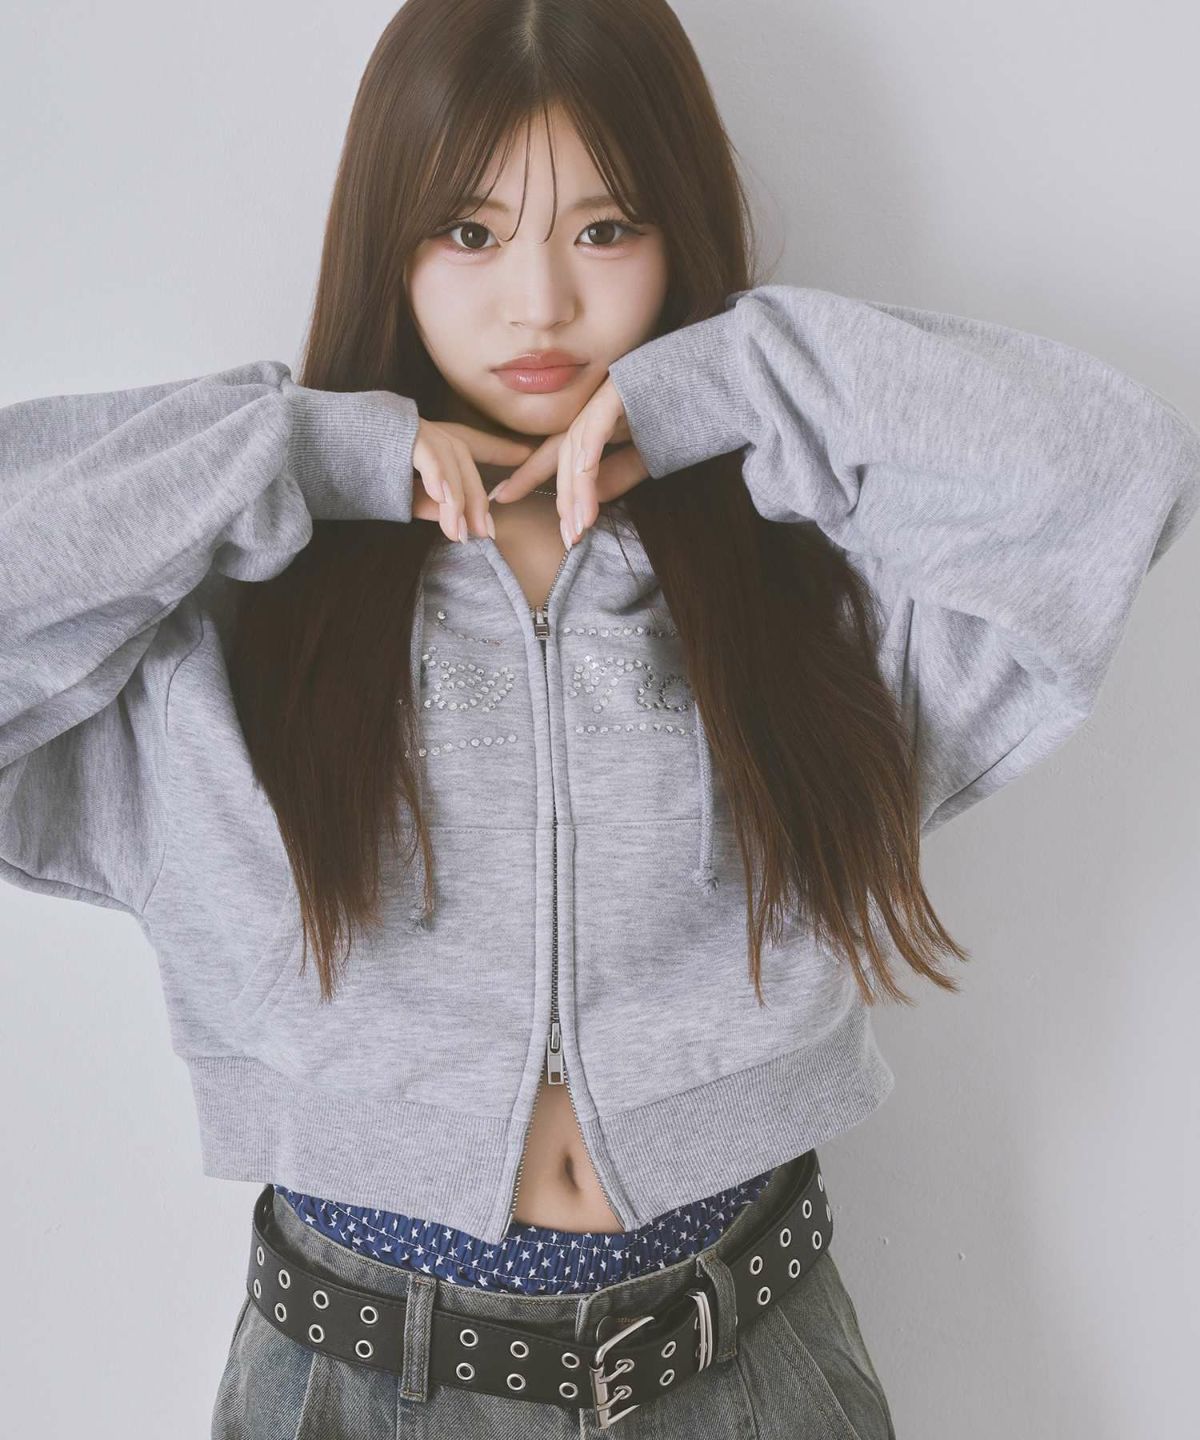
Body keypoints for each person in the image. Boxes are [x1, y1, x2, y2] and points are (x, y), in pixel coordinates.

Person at [2, 2, 1196, 1436]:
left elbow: (1115, 474)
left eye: (606, 228)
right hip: (356, 1382)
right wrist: (307, 452)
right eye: (470, 231)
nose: (540, 305)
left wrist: (730, 386)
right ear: (388, 241)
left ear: (677, 233)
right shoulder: (237, 616)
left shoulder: (802, 585)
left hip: (755, 1363)